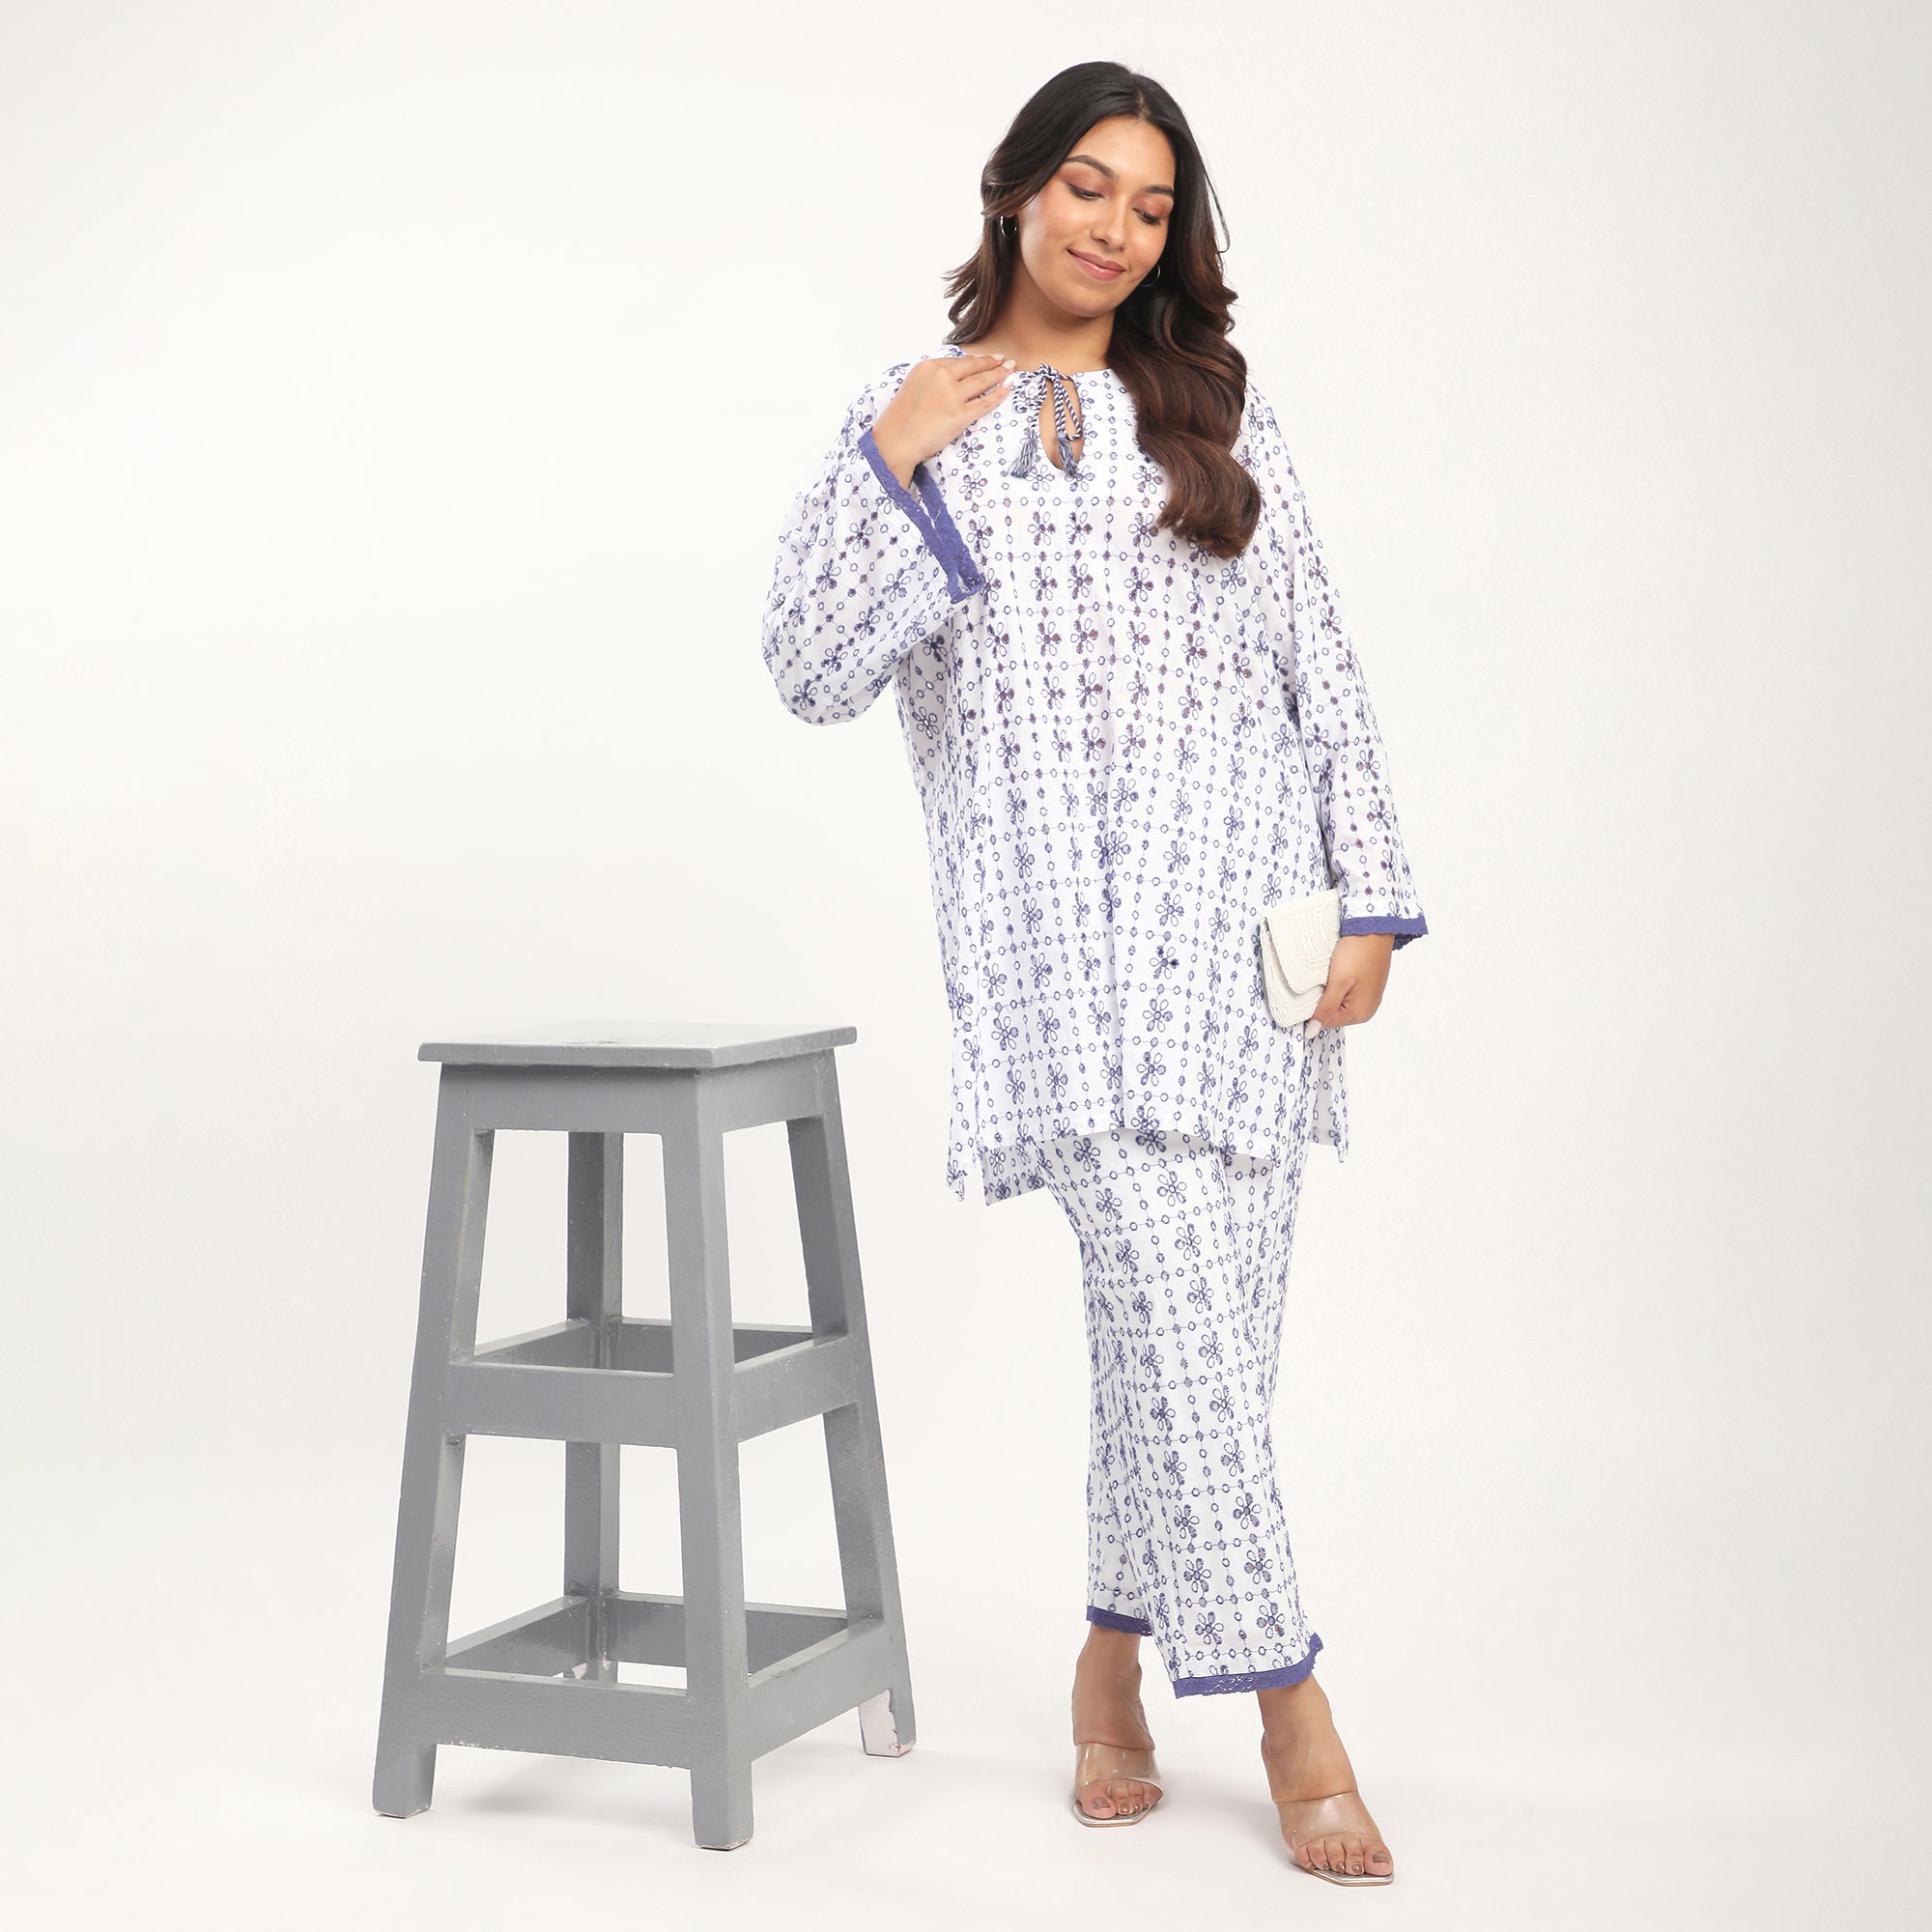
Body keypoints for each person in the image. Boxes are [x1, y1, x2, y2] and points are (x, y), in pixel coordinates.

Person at [758, 59, 1426, 1887]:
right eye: (1085, 188)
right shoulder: (921, 413)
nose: (1115, 229)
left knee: (1201, 1348)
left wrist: (1370, 897)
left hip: (1245, 944)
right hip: (1056, 955)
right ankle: (1296, 1711)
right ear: (1013, 194)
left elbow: (1320, 658)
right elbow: (809, 671)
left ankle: (1110, 1665)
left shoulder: (1208, 406)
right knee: (1183, 1327)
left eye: (1148, 205)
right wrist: (884, 459)